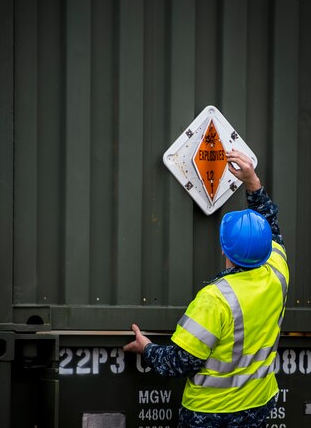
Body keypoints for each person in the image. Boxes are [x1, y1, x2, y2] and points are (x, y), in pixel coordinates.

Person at [123, 149, 289, 428]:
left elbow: (180, 363)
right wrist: (252, 181)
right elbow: (270, 225)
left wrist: (147, 348)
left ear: (226, 249)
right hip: (259, 405)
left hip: (211, 414)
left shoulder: (216, 299)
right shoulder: (278, 271)